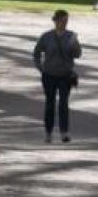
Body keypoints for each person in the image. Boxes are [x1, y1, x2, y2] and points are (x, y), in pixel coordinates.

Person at [33, 9, 82, 144]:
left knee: (63, 104)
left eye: (66, 21)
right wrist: (40, 67)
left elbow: (77, 55)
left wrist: (75, 45)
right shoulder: (46, 36)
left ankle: (64, 133)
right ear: (55, 21)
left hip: (65, 75)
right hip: (49, 75)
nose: (64, 23)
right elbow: (36, 52)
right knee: (50, 104)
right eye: (61, 21)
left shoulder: (71, 36)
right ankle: (48, 133)